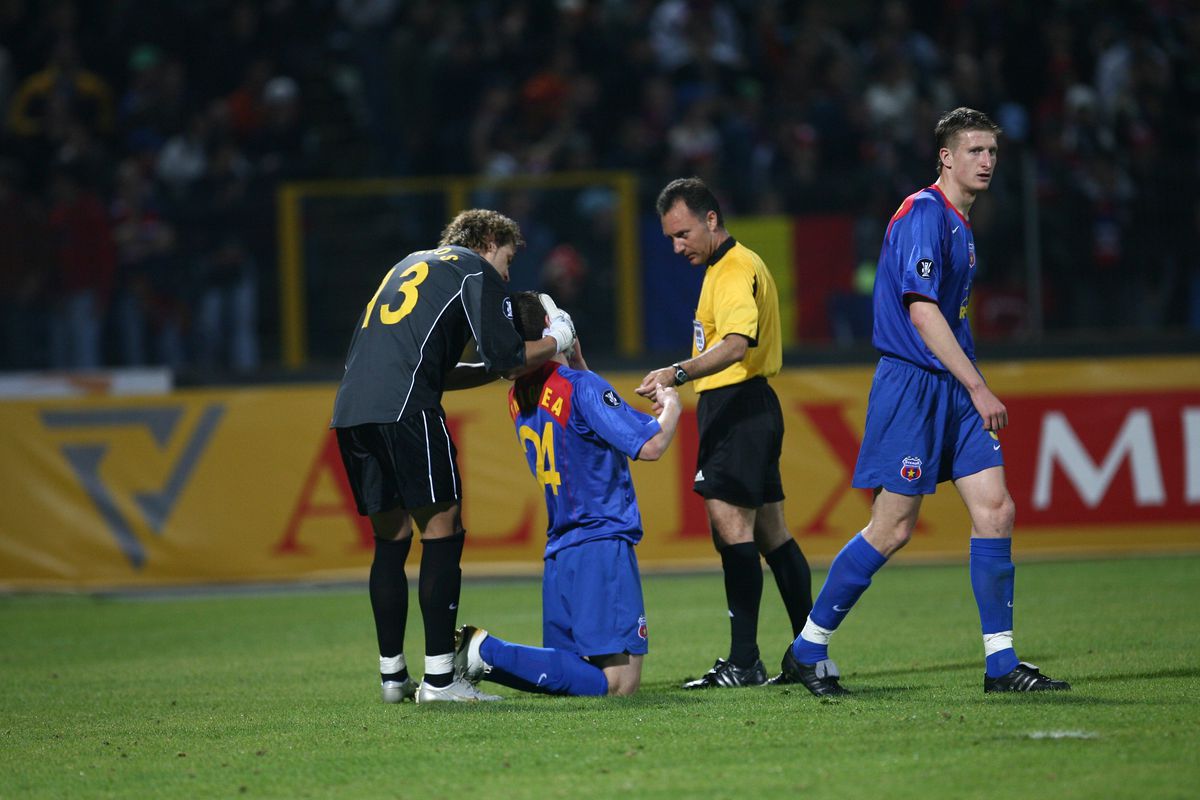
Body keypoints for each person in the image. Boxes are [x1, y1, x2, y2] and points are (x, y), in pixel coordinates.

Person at [780, 108, 1071, 696]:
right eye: (974, 151)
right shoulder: (923, 215)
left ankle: (1001, 664)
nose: (986, 161)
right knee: (892, 529)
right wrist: (978, 384)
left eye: (992, 151)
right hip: (914, 384)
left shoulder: (960, 224)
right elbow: (921, 310)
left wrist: (967, 384)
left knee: (997, 510)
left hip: (954, 387)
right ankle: (806, 649)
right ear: (945, 157)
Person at [330, 209, 577, 704]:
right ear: (488, 240)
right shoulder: (474, 269)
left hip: (351, 409)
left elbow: (443, 367)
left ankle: (393, 678)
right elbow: (508, 358)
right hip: (406, 408)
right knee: (443, 530)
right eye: (507, 259)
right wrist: (557, 341)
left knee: (391, 540)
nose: (507, 276)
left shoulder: (412, 264)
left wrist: (496, 368)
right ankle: (441, 680)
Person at [455, 291, 681, 697]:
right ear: (551, 328)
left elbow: (578, 409)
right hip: (601, 544)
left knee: (577, 678)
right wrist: (672, 406)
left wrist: (574, 361)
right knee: (619, 684)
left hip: (562, 551)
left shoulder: (518, 396)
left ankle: (476, 659)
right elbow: (651, 446)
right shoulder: (581, 387)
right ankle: (486, 651)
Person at [636, 177, 814, 689]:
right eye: (671, 236)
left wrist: (678, 372)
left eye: (684, 233)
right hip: (748, 407)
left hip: (738, 408)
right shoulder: (729, 265)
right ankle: (811, 651)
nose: (677, 246)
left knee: (731, 529)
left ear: (711, 220)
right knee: (771, 534)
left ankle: (744, 662)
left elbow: (737, 344)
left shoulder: (734, 268)